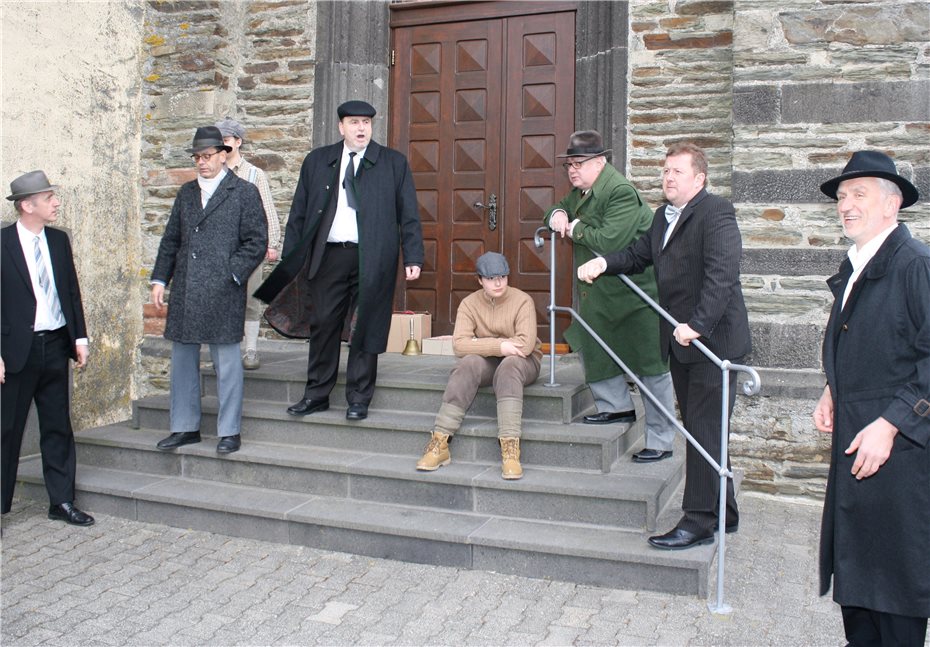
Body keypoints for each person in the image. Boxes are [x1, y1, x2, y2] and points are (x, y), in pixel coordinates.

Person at [577, 142, 751, 550]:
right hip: (681, 343)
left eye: (677, 171)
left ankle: (698, 520)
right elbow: (638, 255)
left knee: (704, 432)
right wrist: (604, 263)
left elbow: (722, 273)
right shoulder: (662, 217)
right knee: (702, 430)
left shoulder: (716, 212)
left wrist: (698, 324)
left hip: (713, 344)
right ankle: (724, 510)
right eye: (666, 170)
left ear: (699, 179)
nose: (668, 177)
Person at [812, 150, 929, 645]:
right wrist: (832, 387)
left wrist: (893, 422)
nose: (846, 205)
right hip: (856, 447)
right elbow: (870, 340)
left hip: (900, 460)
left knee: (897, 594)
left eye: (859, 194)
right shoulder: (857, 263)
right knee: (858, 587)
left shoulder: (915, 265)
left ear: (892, 204)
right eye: (842, 196)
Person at [255, 100, 424, 422]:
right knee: (324, 325)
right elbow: (299, 214)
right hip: (329, 255)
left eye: (366, 123)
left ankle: (359, 398)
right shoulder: (318, 161)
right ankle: (316, 394)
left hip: (373, 258)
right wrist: (291, 259)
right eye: (354, 122)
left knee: (366, 326)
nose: (361, 128)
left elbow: (409, 215)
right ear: (341, 127)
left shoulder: (392, 163)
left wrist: (413, 255)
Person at [544, 130, 677, 463]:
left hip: (635, 294)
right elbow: (561, 207)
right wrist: (556, 215)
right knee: (595, 345)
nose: (572, 170)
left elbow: (610, 240)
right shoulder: (583, 191)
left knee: (651, 365)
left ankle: (661, 439)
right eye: (569, 165)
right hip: (602, 294)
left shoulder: (618, 191)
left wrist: (573, 228)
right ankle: (616, 406)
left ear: (600, 162)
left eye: (579, 163)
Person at [150, 126, 267, 455]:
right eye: (197, 157)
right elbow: (171, 239)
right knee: (183, 360)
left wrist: (232, 275)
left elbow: (256, 241)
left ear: (223, 155)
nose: (201, 163)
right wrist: (160, 279)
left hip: (223, 289)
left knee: (227, 362)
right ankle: (185, 427)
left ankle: (229, 430)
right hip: (187, 287)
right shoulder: (186, 193)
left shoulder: (243, 192)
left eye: (207, 156)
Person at [1, 171, 94, 526]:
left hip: (55, 345)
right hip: (14, 353)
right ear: (27, 205)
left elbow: (70, 291)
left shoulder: (58, 240)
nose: (56, 203)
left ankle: (61, 501)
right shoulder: (2, 243)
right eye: (48, 198)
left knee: (57, 427)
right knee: (5, 432)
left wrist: (79, 339)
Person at [416, 252, 542, 479]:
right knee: (467, 365)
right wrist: (500, 346)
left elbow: (524, 346)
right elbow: (460, 346)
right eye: (491, 278)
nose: (498, 283)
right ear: (479, 280)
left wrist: (481, 344)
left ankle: (510, 450)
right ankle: (440, 442)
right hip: (491, 360)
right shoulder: (469, 304)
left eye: (503, 277)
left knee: (510, 366)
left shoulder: (522, 300)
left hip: (524, 362)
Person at [214, 117, 281, 370]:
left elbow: (267, 209)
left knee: (251, 300)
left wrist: (271, 242)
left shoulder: (254, 174)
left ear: (237, 142)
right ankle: (226, 350)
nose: (221, 145)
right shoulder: (213, 174)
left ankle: (251, 350)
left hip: (250, 248)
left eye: (226, 140)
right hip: (221, 249)